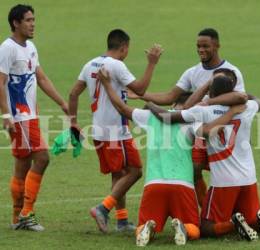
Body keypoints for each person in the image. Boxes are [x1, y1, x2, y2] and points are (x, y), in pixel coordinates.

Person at [97, 68, 245, 246]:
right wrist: (230, 114)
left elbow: (121, 107)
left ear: (174, 104)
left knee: (143, 225)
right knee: (194, 229)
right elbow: (208, 132)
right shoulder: (191, 121)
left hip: (154, 185)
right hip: (182, 186)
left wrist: (106, 84)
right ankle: (183, 227)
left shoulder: (150, 118)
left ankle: (147, 228)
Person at [147, 73, 260, 241]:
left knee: (205, 226)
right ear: (232, 91)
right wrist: (238, 96)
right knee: (252, 218)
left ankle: (234, 224)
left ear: (211, 92)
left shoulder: (203, 110)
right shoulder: (247, 107)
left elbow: (167, 117)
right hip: (249, 178)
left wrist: (150, 104)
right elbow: (258, 99)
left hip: (224, 181)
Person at [129, 28, 247, 207]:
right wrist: (142, 95)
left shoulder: (231, 72)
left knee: (223, 175)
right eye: (198, 46)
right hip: (199, 133)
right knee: (194, 171)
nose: (201, 50)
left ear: (217, 45)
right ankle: (206, 210)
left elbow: (239, 99)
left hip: (222, 133)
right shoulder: (193, 72)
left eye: (205, 46)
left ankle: (227, 211)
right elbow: (170, 97)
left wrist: (209, 101)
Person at [68, 29, 163, 233]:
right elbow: (140, 89)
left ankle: (121, 221)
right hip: (116, 131)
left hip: (99, 131)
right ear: (124, 47)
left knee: (118, 174)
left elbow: (73, 93)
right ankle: (103, 209)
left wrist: (73, 122)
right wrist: (152, 63)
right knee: (135, 171)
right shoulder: (116, 65)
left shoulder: (90, 64)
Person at [0, 4, 68, 231]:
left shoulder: (30, 47)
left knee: (22, 164)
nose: (32, 24)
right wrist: (6, 115)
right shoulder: (7, 49)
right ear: (15, 23)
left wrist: (62, 102)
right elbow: (0, 83)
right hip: (19, 118)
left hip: (30, 116)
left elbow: (42, 78)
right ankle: (26, 214)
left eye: (33, 19)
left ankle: (16, 217)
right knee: (42, 158)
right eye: (28, 20)